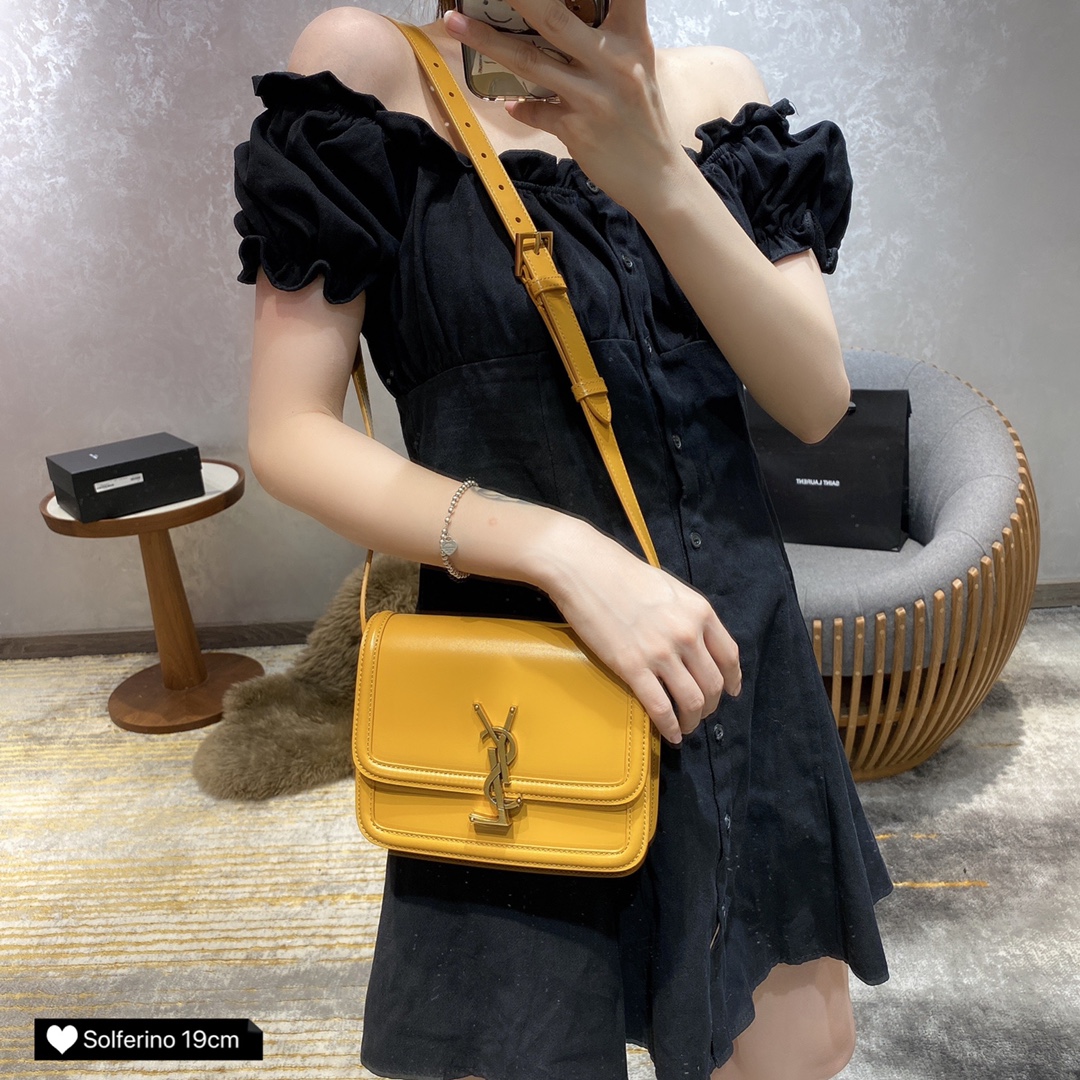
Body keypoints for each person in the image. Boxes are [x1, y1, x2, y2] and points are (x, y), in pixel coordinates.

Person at [233, 0, 893, 1076]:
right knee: (532, 1046)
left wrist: (656, 170)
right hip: (518, 682)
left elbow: (814, 399)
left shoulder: (716, 91)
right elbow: (289, 432)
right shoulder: (372, 73)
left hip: (729, 662)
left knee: (795, 1050)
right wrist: (567, 554)